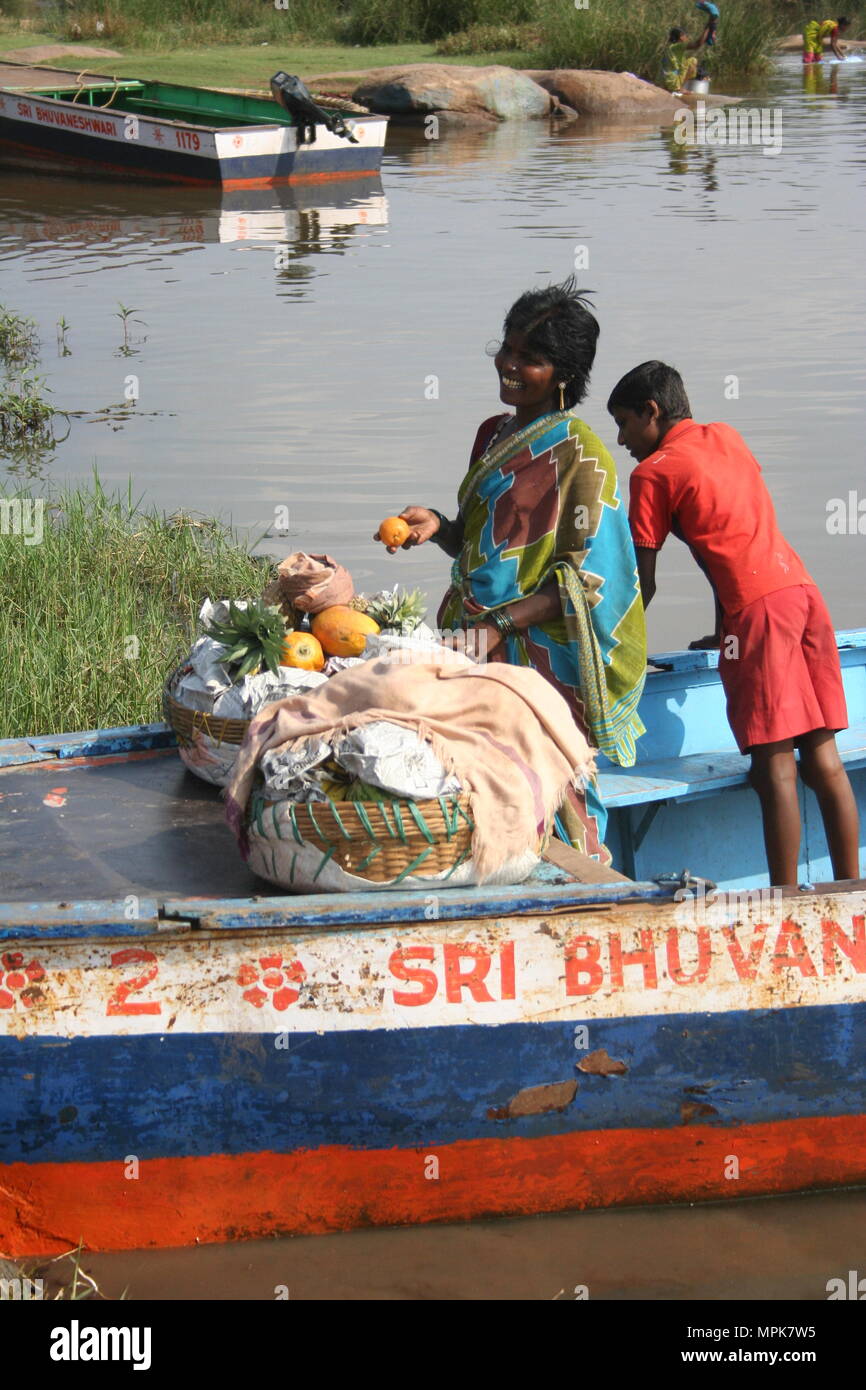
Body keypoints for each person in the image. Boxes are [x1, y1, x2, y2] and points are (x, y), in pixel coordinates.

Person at [376, 280, 647, 863]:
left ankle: (580, 891)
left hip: (536, 655)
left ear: (565, 374)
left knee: (548, 783)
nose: (510, 365)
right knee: (473, 782)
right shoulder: (491, 435)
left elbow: (582, 581)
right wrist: (441, 529)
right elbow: (490, 549)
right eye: (508, 348)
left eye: (532, 358)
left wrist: (500, 624)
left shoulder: (581, 453)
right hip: (473, 640)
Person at [607, 360, 860, 887]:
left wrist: (610, 649)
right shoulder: (725, 435)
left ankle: (785, 901)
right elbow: (737, 537)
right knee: (822, 758)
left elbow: (641, 585)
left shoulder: (651, 474)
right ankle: (851, 890)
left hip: (759, 613)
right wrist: (726, 631)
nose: (622, 438)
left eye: (625, 423)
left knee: (775, 769)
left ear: (651, 412)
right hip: (803, 594)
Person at [661, 24, 708, 92]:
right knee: (693, 61)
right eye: (685, 36)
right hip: (674, 84)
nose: (687, 38)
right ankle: (679, 88)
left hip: (669, 81)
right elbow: (697, 44)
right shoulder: (677, 46)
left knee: (693, 67)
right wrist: (707, 28)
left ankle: (677, 86)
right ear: (681, 37)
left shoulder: (670, 48)